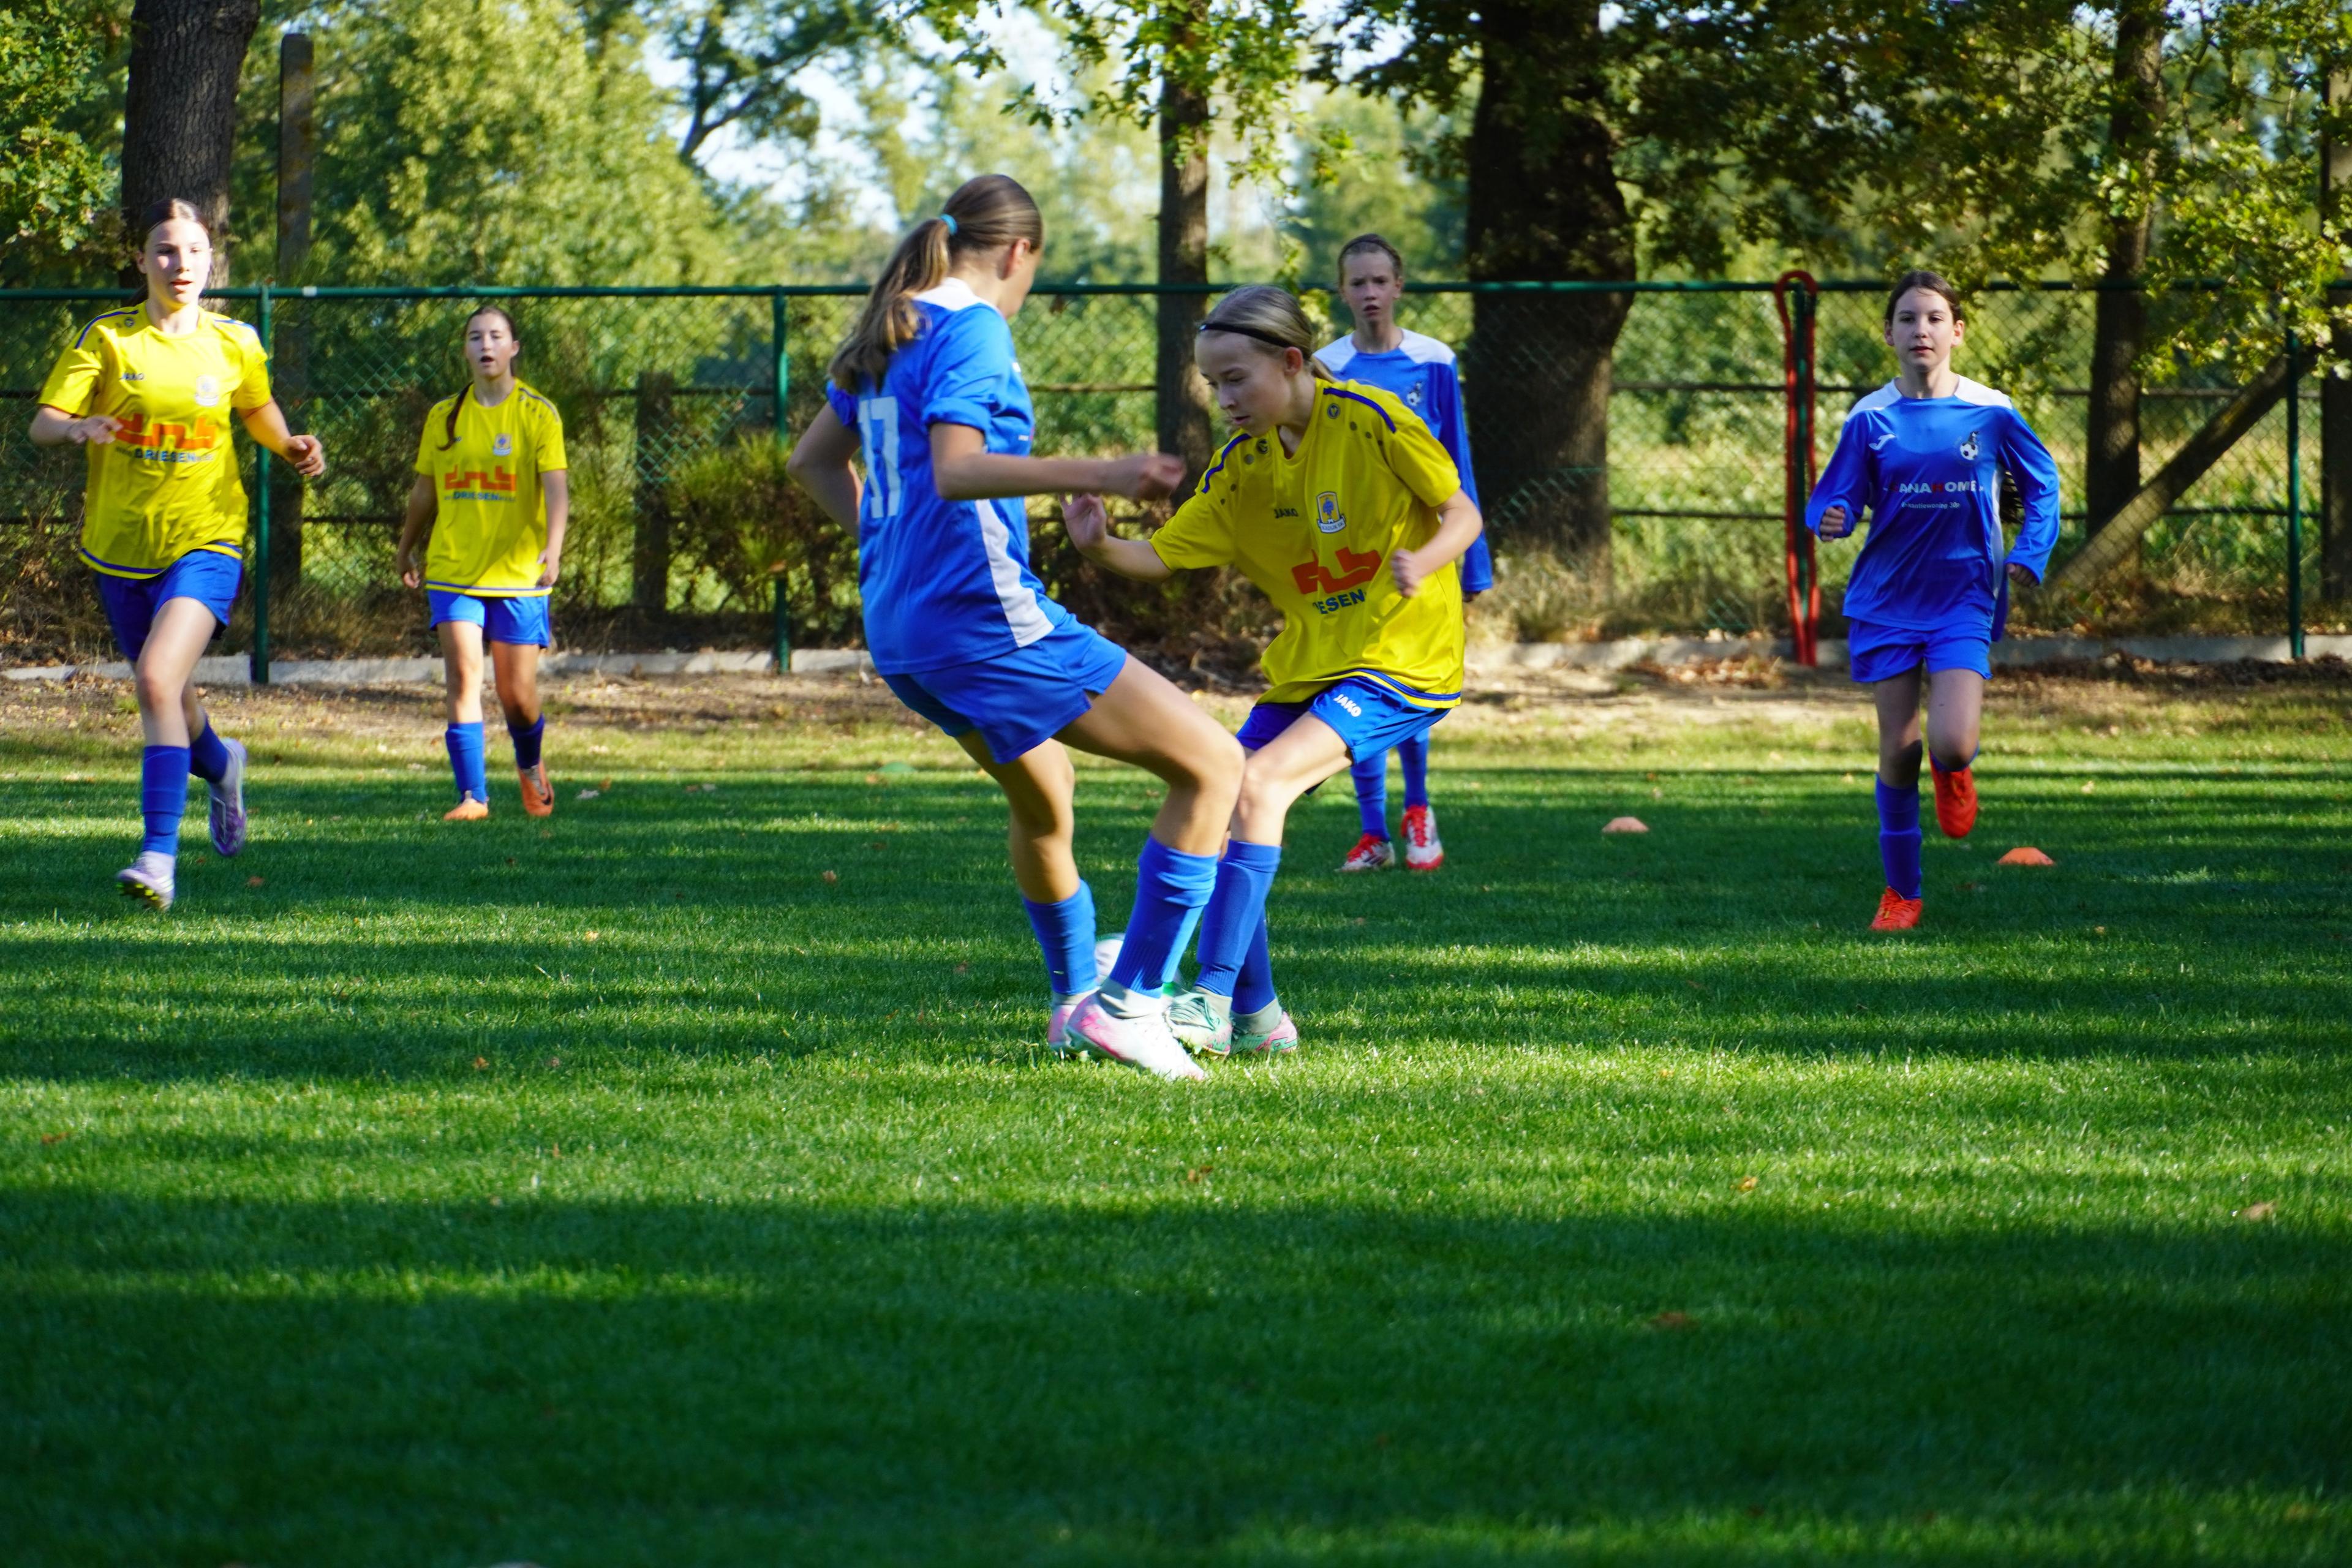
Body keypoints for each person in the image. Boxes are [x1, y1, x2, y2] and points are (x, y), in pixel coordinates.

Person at [788, 174, 1242, 1082]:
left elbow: (811, 461)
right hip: (983, 619)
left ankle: (1077, 995)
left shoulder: (893, 330)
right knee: (1214, 765)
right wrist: (1107, 472)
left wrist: (888, 541)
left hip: (905, 629)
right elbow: (957, 471)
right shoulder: (969, 327)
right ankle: (1132, 1004)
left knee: (1044, 794)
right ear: (1019, 253)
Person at [1066, 286, 1482, 1056]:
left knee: (1258, 786)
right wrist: (1097, 546)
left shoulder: (1373, 419)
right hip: (1310, 669)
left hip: (1403, 660)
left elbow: (1463, 512)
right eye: (1212, 384)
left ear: (1291, 362)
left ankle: (1211, 999)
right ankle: (1259, 1018)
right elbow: (1160, 555)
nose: (1223, 399)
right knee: (1222, 792)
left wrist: (1423, 560)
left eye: (1234, 380)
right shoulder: (1243, 462)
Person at [29, 198, 326, 911]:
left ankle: (158, 856)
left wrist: (287, 444)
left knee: (158, 680)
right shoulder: (108, 340)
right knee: (173, 693)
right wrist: (78, 431)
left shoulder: (235, 341)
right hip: (120, 550)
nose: (180, 264)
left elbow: (256, 408)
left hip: (208, 537)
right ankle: (223, 767)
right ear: (142, 261)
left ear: (210, 259)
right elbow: (44, 422)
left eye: (193, 251)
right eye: (165, 251)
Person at [1806, 270, 2060, 931]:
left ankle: (1956, 770)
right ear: (1889, 333)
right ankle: (1902, 895)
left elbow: (2044, 484)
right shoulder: (1870, 416)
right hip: (1886, 599)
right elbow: (1832, 495)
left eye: (1935, 318)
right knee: (1898, 748)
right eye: (1909, 319)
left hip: (1964, 594)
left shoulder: (1992, 410)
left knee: (1949, 742)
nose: (1922, 330)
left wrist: (2030, 552)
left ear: (1957, 331)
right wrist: (1831, 514)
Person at [1313, 234, 1491, 875]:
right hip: (1355, 558)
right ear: (1343, 291)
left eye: (1379, 281)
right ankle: (1371, 832)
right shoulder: (1326, 367)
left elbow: (1457, 467)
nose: (1368, 294)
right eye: (1356, 283)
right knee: (1352, 683)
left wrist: (1470, 561)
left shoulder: (1434, 362)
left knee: (1406, 683)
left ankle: (1417, 812)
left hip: (1423, 555)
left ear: (1399, 287)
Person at [395, 306, 569, 820]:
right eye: (475, 337)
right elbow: (425, 491)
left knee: (517, 697)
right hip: (453, 568)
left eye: (496, 336)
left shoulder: (539, 414)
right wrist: (407, 546)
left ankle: (530, 763)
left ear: (514, 347)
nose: (486, 345)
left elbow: (556, 490)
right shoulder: (443, 416)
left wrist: (553, 547)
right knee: (464, 677)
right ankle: (473, 797)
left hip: (520, 575)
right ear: (465, 349)